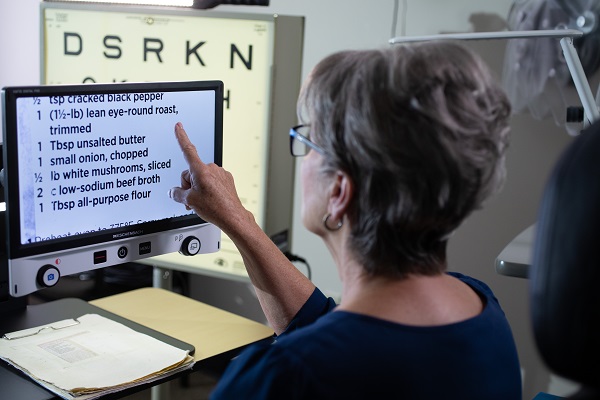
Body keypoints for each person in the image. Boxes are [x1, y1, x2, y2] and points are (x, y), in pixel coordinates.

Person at [169, 41, 522, 399]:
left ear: (339, 192)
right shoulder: (481, 306)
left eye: (310, 142)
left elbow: (326, 352)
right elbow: (330, 327)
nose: (302, 158)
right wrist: (237, 219)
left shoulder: (280, 378)